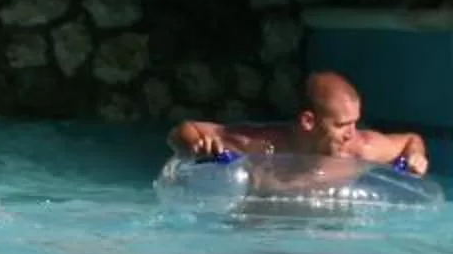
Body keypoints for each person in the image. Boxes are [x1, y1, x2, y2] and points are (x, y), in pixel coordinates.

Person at [172, 70, 430, 176]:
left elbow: (410, 139)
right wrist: (198, 145)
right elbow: (184, 130)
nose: (351, 134)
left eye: (355, 123)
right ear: (308, 121)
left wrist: (416, 155)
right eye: (341, 125)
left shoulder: (361, 148)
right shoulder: (266, 146)